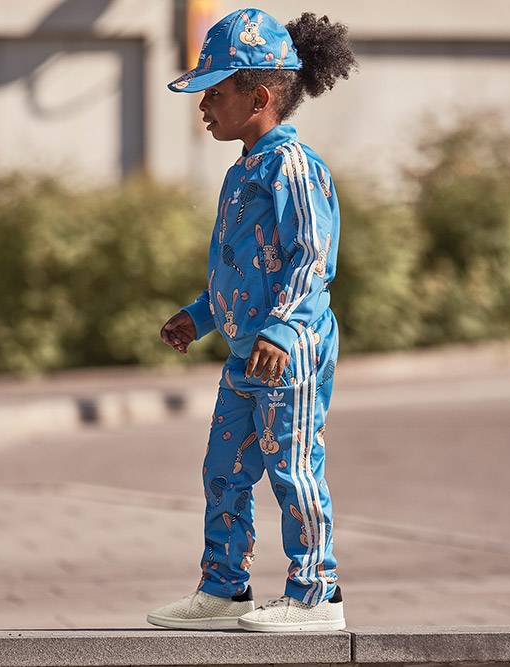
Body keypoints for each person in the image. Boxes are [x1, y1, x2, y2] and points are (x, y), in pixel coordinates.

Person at [149, 8, 356, 632]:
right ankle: (224, 589)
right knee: (224, 470)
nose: (203, 107)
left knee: (292, 469)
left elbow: (312, 256)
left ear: (259, 97)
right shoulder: (243, 171)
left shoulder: (294, 166)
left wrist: (282, 328)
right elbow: (241, 268)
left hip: (289, 351)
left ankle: (317, 593)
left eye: (215, 94)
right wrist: (199, 315)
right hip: (248, 355)